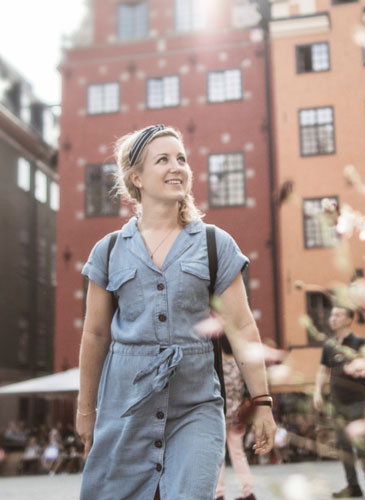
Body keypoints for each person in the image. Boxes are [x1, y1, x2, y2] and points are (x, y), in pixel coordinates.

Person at [77, 124, 278, 499]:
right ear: (135, 178)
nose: (177, 167)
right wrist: (86, 410)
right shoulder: (107, 252)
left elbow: (241, 326)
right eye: (163, 160)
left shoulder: (215, 244)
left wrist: (262, 402)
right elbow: (95, 335)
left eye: (182, 158)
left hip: (195, 407)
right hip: (124, 410)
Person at [315, 305, 365, 498]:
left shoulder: (360, 342)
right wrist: (317, 392)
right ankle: (353, 486)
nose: (333, 318)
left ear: (349, 319)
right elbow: (323, 370)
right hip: (337, 403)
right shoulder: (329, 345)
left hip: (358, 401)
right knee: (343, 446)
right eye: (332, 315)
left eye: (338, 315)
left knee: (362, 445)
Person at [214, 344, 256, 500]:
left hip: (220, 413)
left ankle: (218, 493)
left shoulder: (219, 363)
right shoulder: (240, 363)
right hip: (237, 416)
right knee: (238, 454)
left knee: (219, 455)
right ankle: (248, 492)